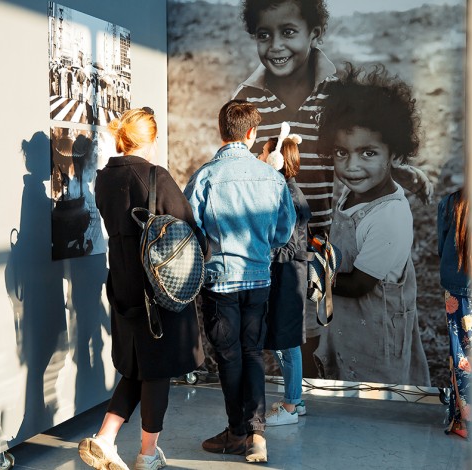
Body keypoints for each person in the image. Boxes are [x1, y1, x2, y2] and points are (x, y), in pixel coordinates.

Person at [234, 0, 434, 377]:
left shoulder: (335, 92)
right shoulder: (246, 99)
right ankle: (300, 391)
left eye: (288, 32)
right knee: (289, 329)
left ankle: (318, 386)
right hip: (276, 239)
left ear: (314, 33)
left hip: (324, 234)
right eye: (264, 35)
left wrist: (400, 170)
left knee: (318, 323)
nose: (276, 46)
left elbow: (363, 143)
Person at [78, 107, 208, 470]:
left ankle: (105, 438)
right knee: (157, 371)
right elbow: (188, 231)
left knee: (138, 367)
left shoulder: (104, 180)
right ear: (150, 139)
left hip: (123, 285)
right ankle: (148, 455)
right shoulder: (155, 176)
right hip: (159, 288)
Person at [184, 100, 296, 463]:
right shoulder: (272, 177)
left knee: (229, 358)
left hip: (220, 282)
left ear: (222, 131)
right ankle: (256, 434)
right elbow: (284, 231)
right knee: (252, 354)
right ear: (251, 133)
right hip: (259, 279)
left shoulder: (205, 177)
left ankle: (236, 433)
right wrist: (260, 246)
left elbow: (190, 231)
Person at [313, 65, 431, 386]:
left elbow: (357, 285)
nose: (352, 167)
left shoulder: (388, 217)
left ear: (393, 152)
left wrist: (309, 274)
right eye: (341, 152)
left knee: (375, 395)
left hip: (377, 339)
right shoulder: (357, 192)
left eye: (368, 153)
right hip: (351, 326)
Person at [258, 131, 310, 426]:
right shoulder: (286, 191)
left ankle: (290, 406)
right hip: (287, 275)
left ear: (277, 159)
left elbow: (289, 247)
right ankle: (296, 400)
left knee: (287, 343)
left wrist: (260, 252)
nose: (260, 157)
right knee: (285, 341)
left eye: (264, 152)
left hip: (288, 277)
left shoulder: (288, 196)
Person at [437, 187, 472, 439]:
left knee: (462, 355)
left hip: (457, 287)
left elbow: (442, 248)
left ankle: (465, 421)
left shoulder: (450, 202)